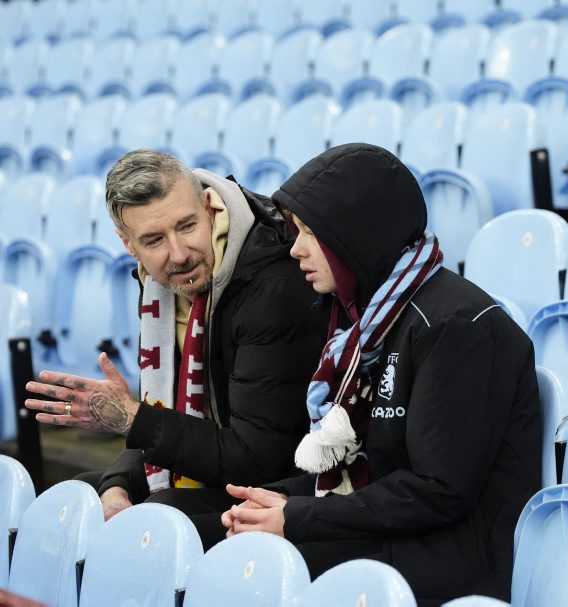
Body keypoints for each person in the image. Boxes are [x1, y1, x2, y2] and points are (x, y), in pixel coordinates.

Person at [220, 143, 542, 604]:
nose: (295, 249)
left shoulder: (456, 326)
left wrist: (297, 516)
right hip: (396, 535)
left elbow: (439, 491)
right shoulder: (368, 320)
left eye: (310, 232)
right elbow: (367, 469)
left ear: (356, 234)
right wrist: (274, 500)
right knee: (235, 542)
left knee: (265, 574)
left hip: (456, 557)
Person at [25, 150, 326, 543]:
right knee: (84, 495)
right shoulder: (159, 285)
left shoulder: (272, 287)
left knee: (158, 519)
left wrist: (133, 419)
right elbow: (164, 414)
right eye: (154, 240)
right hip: (222, 462)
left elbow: (257, 461)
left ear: (209, 208)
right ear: (129, 244)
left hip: (284, 486)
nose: (180, 254)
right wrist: (118, 485)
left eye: (187, 226)